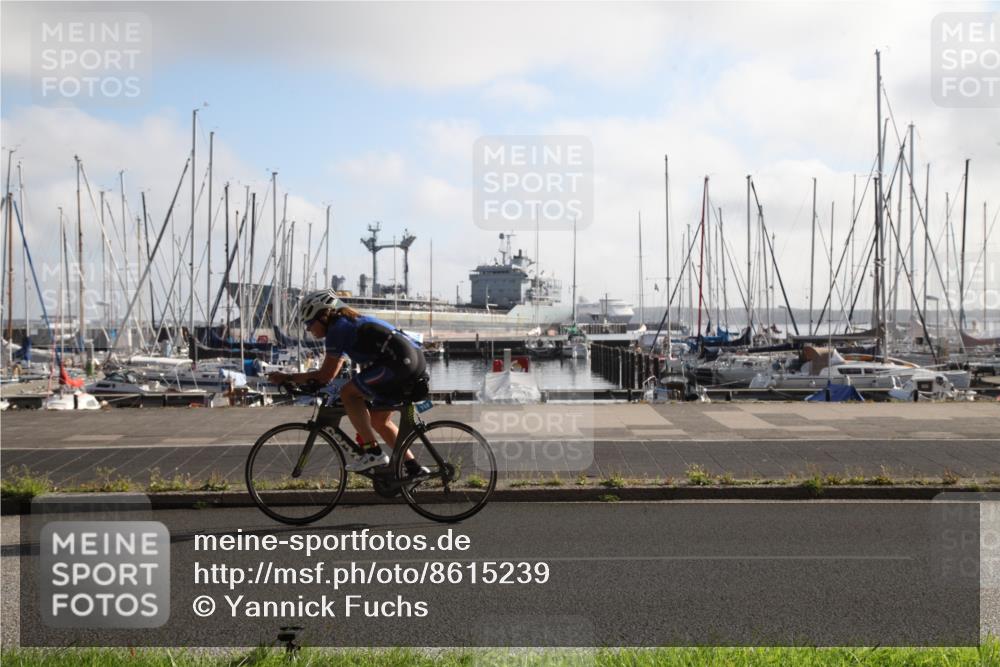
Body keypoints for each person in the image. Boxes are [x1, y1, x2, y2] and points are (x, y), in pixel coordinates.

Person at [267, 289, 429, 475]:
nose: (308, 329)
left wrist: (287, 377)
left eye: (309, 324)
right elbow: (331, 372)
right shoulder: (346, 325)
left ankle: (373, 453)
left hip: (399, 363)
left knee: (348, 393)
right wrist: (311, 380)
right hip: (408, 360)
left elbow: (325, 375)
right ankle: (414, 468)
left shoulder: (338, 329)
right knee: (379, 421)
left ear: (322, 317)